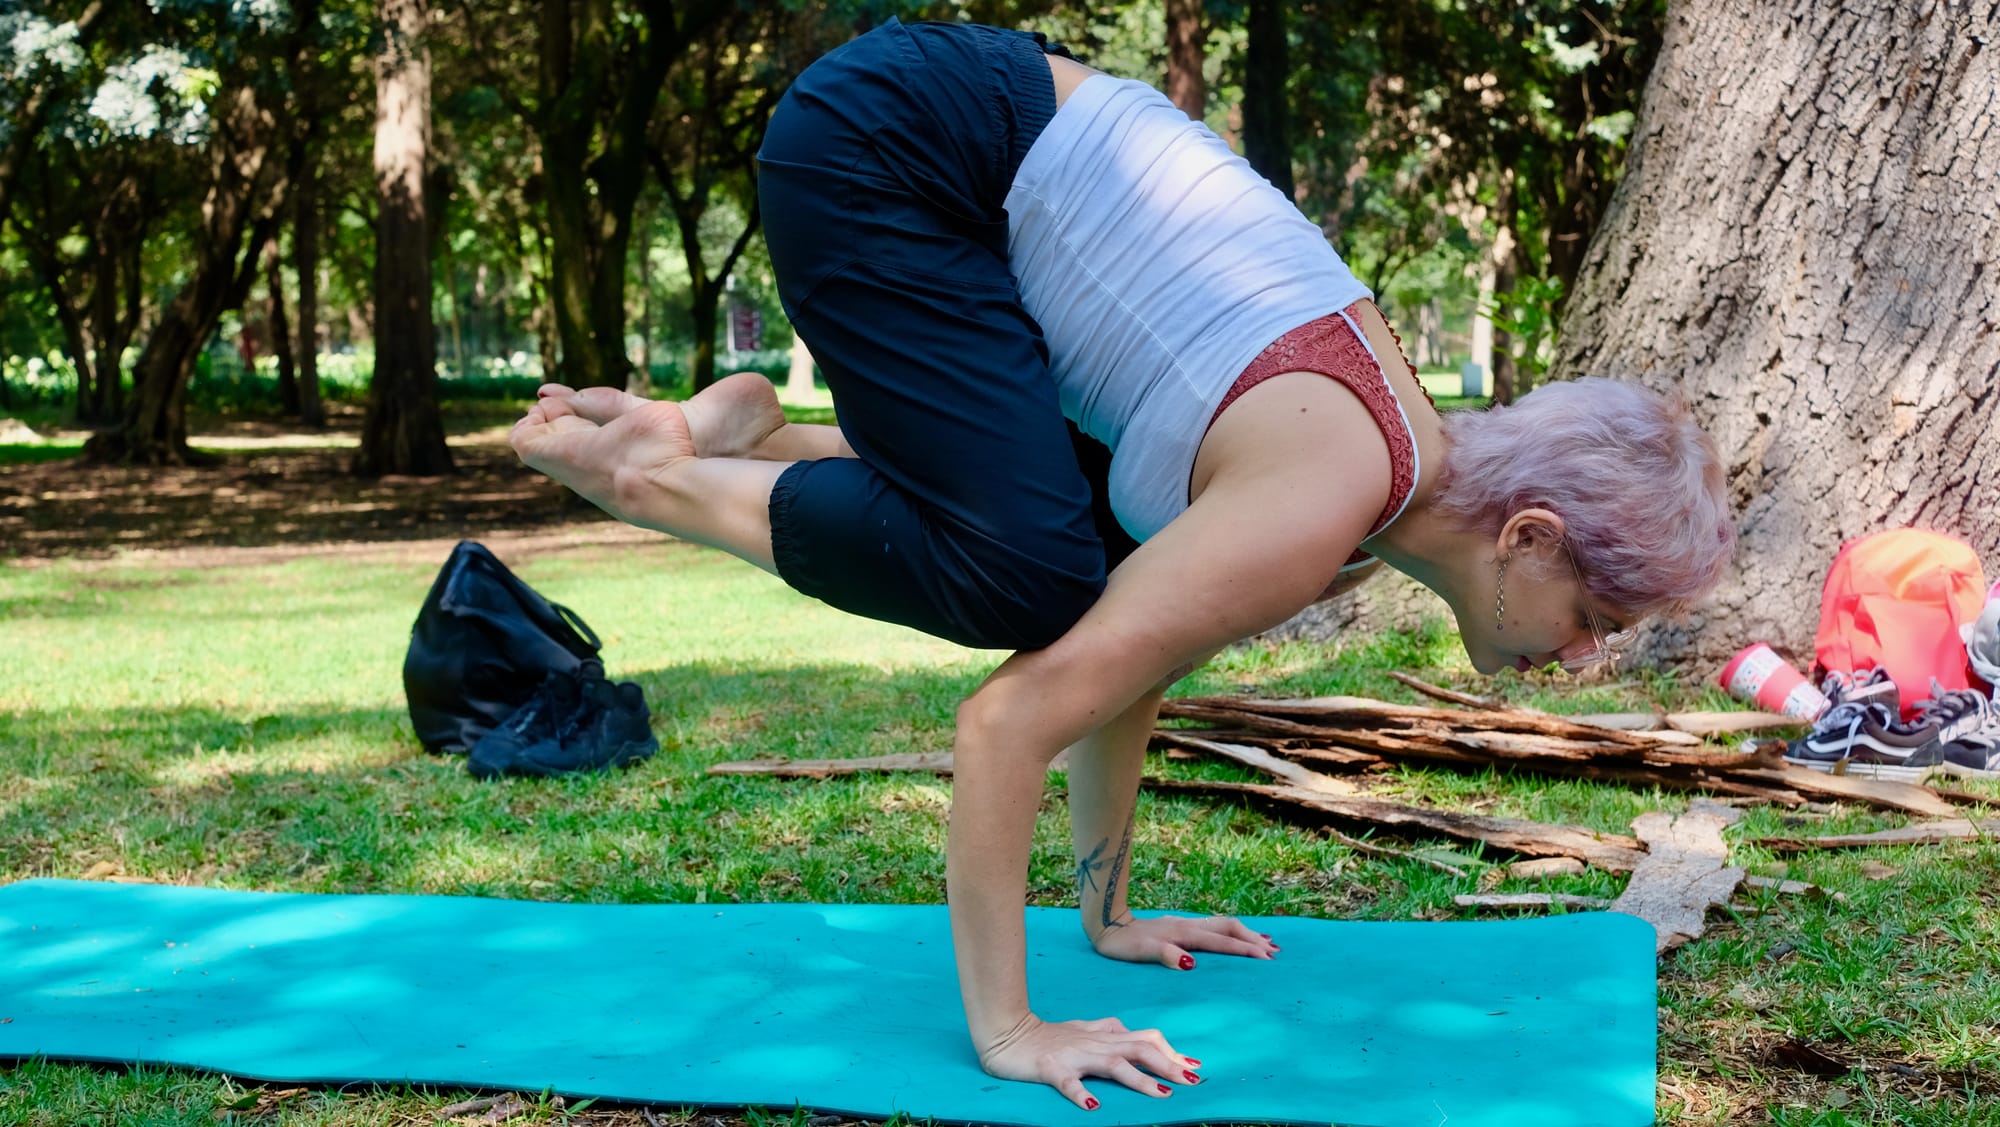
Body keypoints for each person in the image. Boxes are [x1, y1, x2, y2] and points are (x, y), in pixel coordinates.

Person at [510, 18, 1734, 1110]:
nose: (1582, 650)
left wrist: (1106, 915)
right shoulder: (1326, 497)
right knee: (1023, 582)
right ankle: (654, 476)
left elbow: (1133, 658)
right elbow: (1008, 722)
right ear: (1527, 535)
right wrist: (1010, 1025)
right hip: (892, 143)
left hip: (945, 142)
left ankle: (755, 427)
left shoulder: (1366, 500)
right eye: (1591, 612)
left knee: (1071, 559)